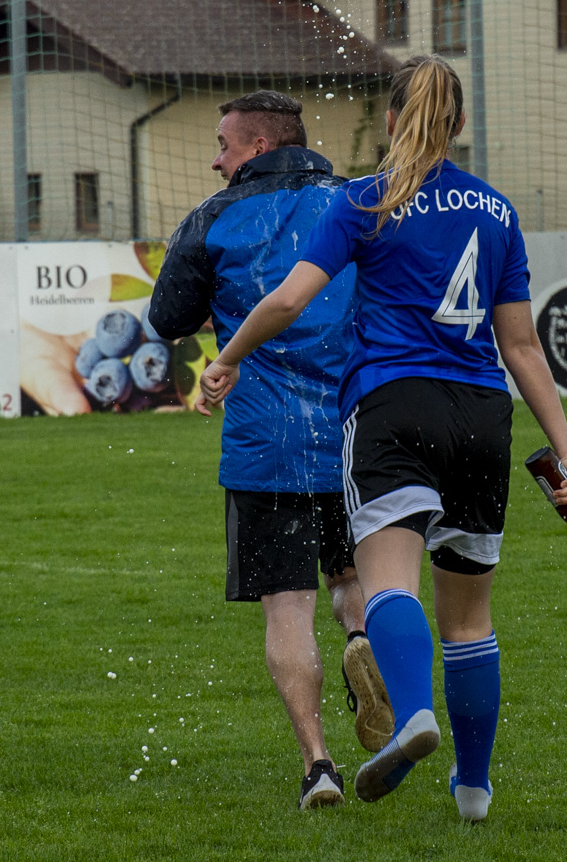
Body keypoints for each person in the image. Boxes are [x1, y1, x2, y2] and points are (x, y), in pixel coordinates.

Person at [198, 57, 567, 822]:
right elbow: (521, 347)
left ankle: (412, 712)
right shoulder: (496, 210)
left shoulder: (363, 200)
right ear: (460, 125)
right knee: (469, 619)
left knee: (386, 583)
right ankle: (472, 788)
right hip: (481, 414)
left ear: (388, 120)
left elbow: (287, 300)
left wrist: (228, 358)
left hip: (392, 405)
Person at [148, 90, 393, 810]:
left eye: (222, 145)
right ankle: (359, 636)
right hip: (357, 433)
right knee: (353, 576)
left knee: (286, 607)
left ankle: (319, 764)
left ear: (257, 146)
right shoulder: (358, 202)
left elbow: (167, 318)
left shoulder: (213, 217)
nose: (214, 159)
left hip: (266, 444)